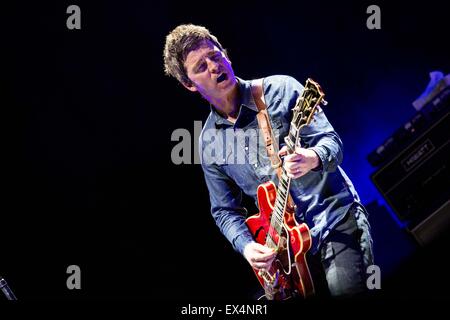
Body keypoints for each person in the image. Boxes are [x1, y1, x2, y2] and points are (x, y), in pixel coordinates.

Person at [163, 24, 373, 298]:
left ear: (225, 54)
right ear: (189, 84)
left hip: (334, 221)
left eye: (215, 56)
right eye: (201, 67)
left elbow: (332, 142)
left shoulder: (280, 89)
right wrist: (248, 247)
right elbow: (224, 211)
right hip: (285, 256)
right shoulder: (208, 142)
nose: (214, 67)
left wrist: (311, 157)